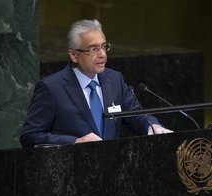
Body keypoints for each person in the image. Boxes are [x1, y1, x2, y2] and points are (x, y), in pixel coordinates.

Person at [20, 19, 172, 148]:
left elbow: (136, 116)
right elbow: (30, 136)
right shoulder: (52, 88)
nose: (102, 55)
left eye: (104, 47)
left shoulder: (114, 79)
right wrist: (74, 142)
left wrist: (152, 127)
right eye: (93, 49)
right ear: (73, 55)